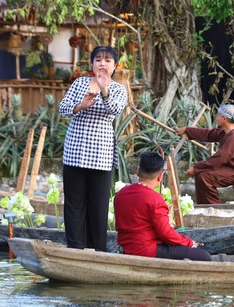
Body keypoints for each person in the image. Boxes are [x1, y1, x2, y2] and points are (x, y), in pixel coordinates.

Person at [58, 45, 127, 251]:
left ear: (114, 66)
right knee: (74, 204)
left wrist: (104, 89)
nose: (102, 64)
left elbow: (115, 109)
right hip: (74, 152)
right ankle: (75, 248)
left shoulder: (118, 89)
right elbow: (63, 107)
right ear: (92, 64)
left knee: (98, 205)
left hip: (100, 155)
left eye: (107, 61)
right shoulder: (80, 83)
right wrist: (81, 106)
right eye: (98, 60)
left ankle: (98, 250)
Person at [114, 152, 211, 261]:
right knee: (204, 256)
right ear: (160, 177)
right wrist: (189, 242)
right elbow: (165, 233)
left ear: (137, 171)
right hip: (146, 251)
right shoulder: (155, 199)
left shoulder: (121, 194)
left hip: (126, 247)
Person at [176, 104, 234, 205]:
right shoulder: (226, 132)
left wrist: (196, 168)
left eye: (218, 115)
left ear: (224, 118)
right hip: (229, 168)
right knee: (201, 175)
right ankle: (205, 206)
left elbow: (219, 159)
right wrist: (187, 130)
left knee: (204, 177)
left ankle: (214, 207)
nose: (216, 117)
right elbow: (208, 134)